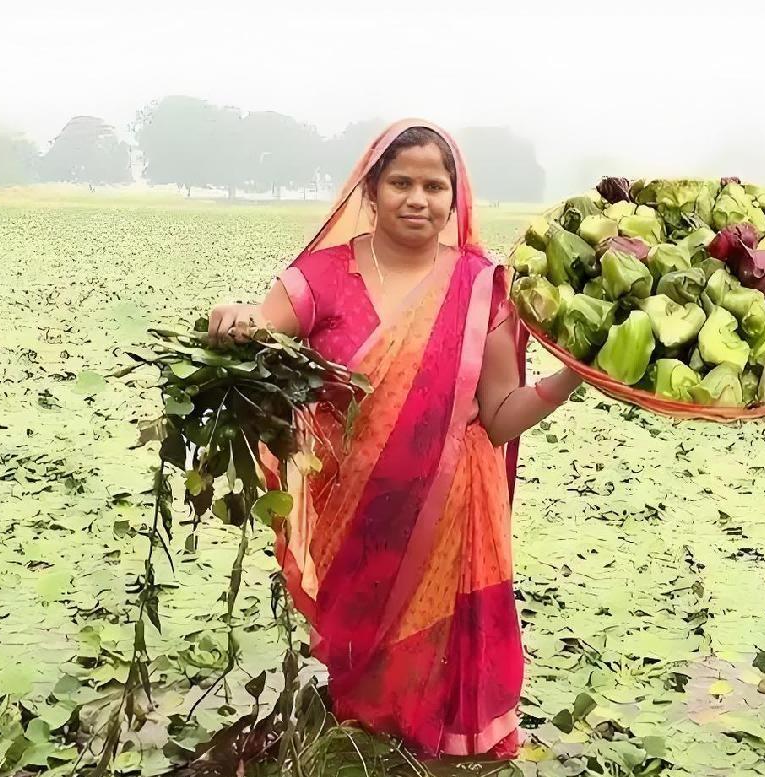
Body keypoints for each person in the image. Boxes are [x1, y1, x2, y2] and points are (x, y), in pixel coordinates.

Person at [207, 119, 582, 759]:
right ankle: (368, 739)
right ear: (371, 191)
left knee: (446, 665)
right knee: (365, 667)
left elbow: (500, 416)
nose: (418, 198)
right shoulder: (320, 278)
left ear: (455, 198)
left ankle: (442, 751)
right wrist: (236, 323)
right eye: (401, 182)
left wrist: (573, 375)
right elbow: (258, 342)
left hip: (451, 509)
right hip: (355, 511)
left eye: (435, 185)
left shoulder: (482, 286)